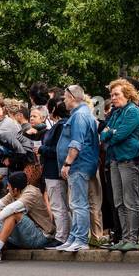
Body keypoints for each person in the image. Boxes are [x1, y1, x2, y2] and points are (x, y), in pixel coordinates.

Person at [99, 79, 139, 252]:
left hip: (128, 159)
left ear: (127, 94)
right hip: (115, 160)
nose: (113, 98)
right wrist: (110, 132)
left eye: (117, 94)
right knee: (118, 201)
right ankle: (124, 237)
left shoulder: (133, 111)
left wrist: (111, 133)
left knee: (130, 200)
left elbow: (120, 135)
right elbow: (104, 135)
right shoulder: (116, 113)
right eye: (111, 95)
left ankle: (133, 238)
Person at [56, 85, 99, 253]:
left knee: (78, 203)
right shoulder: (80, 114)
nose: (64, 101)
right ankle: (74, 237)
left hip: (79, 165)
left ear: (73, 97)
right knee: (75, 203)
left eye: (66, 98)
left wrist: (67, 163)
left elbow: (76, 143)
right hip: (80, 164)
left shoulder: (79, 116)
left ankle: (80, 239)